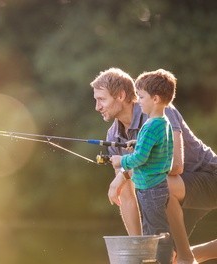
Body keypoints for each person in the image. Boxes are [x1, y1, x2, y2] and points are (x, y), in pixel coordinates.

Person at [90, 68, 217, 264]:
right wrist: (139, 249)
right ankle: (182, 257)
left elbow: (175, 166)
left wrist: (123, 174)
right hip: (172, 194)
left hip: (208, 177)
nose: (97, 106)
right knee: (161, 256)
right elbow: (126, 196)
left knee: (156, 184)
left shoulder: (159, 112)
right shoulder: (113, 136)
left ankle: (184, 257)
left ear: (121, 96)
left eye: (102, 99)